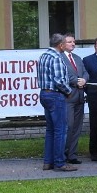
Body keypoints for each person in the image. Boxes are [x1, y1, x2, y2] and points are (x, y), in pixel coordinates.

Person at [37, 33, 76, 172]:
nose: (67, 45)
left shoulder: (44, 56)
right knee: (60, 130)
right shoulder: (57, 58)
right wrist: (69, 91)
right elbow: (59, 81)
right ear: (60, 45)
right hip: (55, 95)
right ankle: (60, 162)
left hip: (44, 93)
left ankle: (48, 162)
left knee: (50, 130)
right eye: (65, 43)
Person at [59, 34, 88, 165]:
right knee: (68, 126)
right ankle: (63, 154)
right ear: (63, 44)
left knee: (77, 127)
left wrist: (85, 80)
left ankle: (72, 154)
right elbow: (62, 75)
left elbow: (85, 72)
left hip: (80, 96)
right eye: (70, 42)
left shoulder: (77, 58)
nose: (73, 44)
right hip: (68, 97)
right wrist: (76, 81)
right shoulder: (59, 58)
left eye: (74, 42)